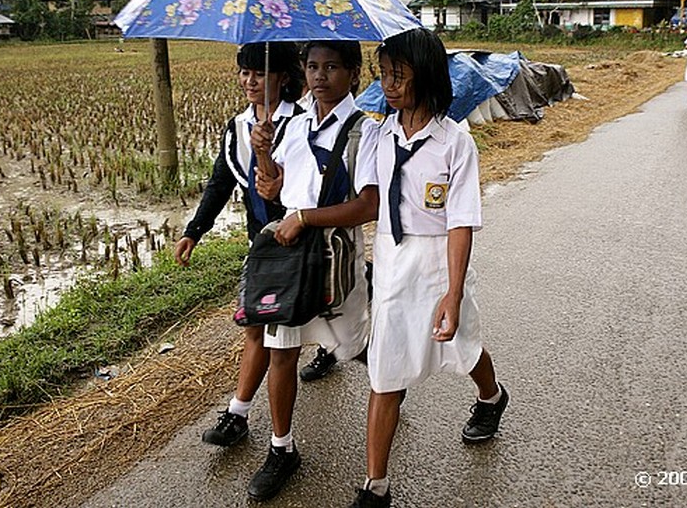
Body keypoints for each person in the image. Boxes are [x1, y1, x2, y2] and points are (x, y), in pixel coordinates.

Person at [277, 28, 507, 508]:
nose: (388, 84)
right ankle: (376, 485)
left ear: (424, 76)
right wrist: (276, 178)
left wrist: (453, 292)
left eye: (398, 75)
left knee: (463, 345)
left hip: (438, 262)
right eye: (383, 75)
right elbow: (365, 202)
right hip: (390, 261)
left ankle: (491, 396)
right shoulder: (379, 136)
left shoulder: (454, 142)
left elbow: (461, 222)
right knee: (385, 373)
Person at [245, 39, 378, 502]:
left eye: (332, 67)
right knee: (282, 351)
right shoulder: (293, 125)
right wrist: (263, 153)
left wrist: (305, 217)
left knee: (355, 346)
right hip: (289, 260)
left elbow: (368, 204)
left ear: (354, 73)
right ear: (302, 70)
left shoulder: (366, 132)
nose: (320, 76)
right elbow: (273, 192)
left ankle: (390, 390)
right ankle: (281, 449)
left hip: (334, 262)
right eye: (313, 66)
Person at [173, 41, 306, 448]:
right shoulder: (238, 128)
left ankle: (386, 377)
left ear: (282, 77)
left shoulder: (302, 123)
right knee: (257, 326)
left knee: (336, 332)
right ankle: (239, 413)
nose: (249, 80)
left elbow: (304, 188)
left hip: (301, 241)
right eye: (243, 72)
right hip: (261, 243)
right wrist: (194, 230)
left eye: (258, 72)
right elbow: (221, 182)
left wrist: (270, 158)